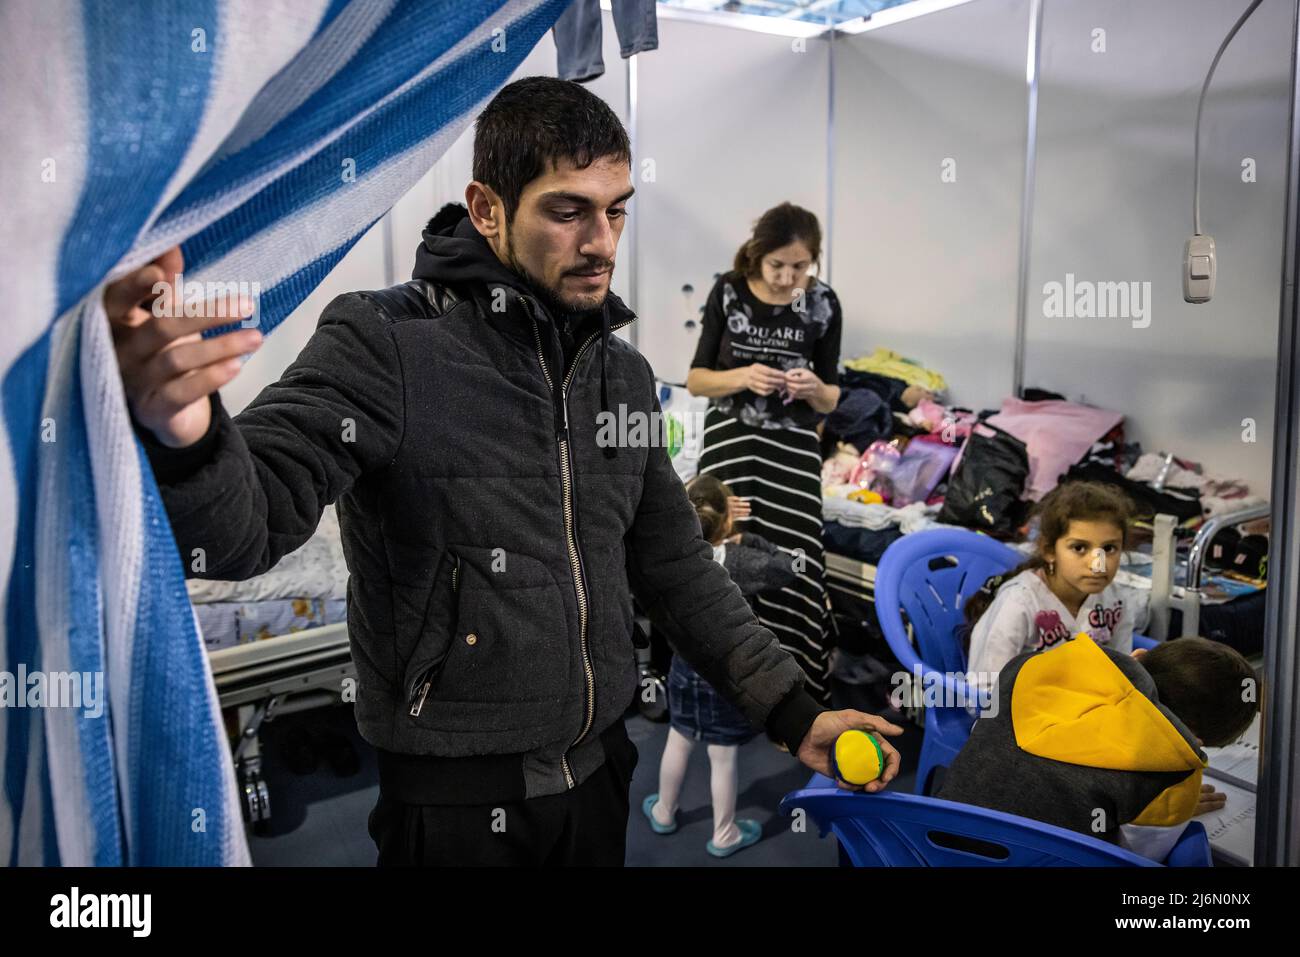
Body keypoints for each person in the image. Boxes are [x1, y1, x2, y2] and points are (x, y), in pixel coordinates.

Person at [105, 76, 902, 867]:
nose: (603, 242)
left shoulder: (617, 374)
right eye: (568, 211)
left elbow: (677, 567)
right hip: (453, 804)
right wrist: (187, 436)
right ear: (487, 208)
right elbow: (246, 527)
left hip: (597, 777)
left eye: (616, 208)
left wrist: (795, 712)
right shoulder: (386, 342)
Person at [686, 203, 843, 707]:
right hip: (732, 442)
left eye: (799, 267)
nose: (786, 277)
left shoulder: (822, 303)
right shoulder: (728, 290)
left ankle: (796, 699)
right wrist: (744, 376)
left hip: (792, 448)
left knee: (796, 562)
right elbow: (696, 379)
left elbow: (832, 397)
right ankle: (724, 690)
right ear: (758, 256)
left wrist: (816, 387)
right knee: (720, 557)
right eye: (777, 265)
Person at [938, 635, 1257, 860]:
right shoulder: (1170, 773)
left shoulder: (1031, 667)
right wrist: (1174, 806)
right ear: (1197, 741)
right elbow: (1131, 858)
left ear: (1138, 656)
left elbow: (984, 732)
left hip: (932, 841)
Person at [643, 475, 804, 857]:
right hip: (726, 674)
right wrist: (747, 538)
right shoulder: (742, 561)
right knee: (722, 753)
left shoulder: (672, 555)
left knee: (678, 739)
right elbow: (788, 566)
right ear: (728, 521)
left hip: (684, 668)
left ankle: (664, 811)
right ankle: (724, 832)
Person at [963, 481, 1140, 699]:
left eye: (1109, 549)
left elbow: (1120, 676)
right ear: (1049, 551)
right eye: (1079, 548)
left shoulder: (1116, 601)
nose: (1098, 564)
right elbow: (984, 693)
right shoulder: (1019, 603)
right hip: (1020, 719)